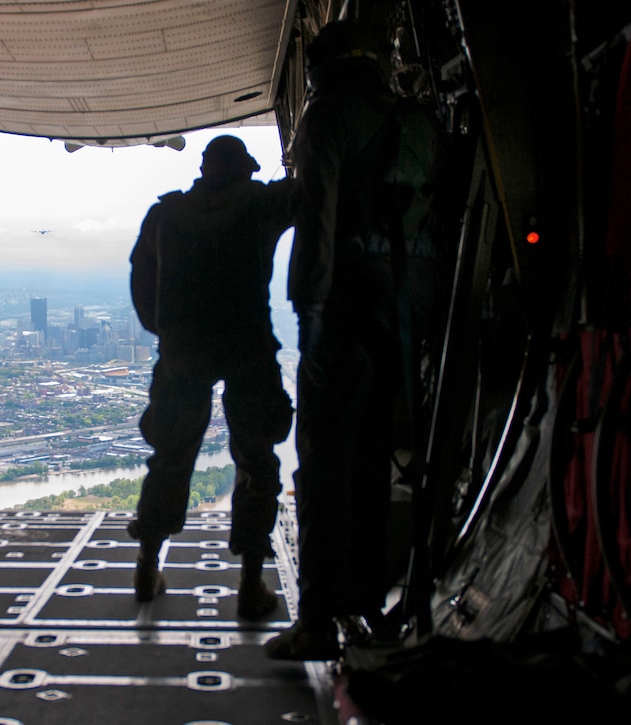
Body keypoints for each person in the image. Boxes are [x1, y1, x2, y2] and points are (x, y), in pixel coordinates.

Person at [265, 20, 441, 659]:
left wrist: (308, 311)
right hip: (407, 311)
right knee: (371, 460)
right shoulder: (423, 124)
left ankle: (315, 621)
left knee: (322, 463)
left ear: (321, 71)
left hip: (345, 308)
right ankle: (367, 603)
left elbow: (317, 222)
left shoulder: (329, 119)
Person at [127, 135, 294, 620]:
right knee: (257, 459)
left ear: (203, 169)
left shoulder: (167, 213)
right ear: (243, 169)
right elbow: (311, 192)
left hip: (184, 351)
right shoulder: (262, 204)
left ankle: (146, 567)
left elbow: (141, 276)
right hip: (249, 347)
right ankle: (249, 584)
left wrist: (166, 330)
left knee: (171, 456)